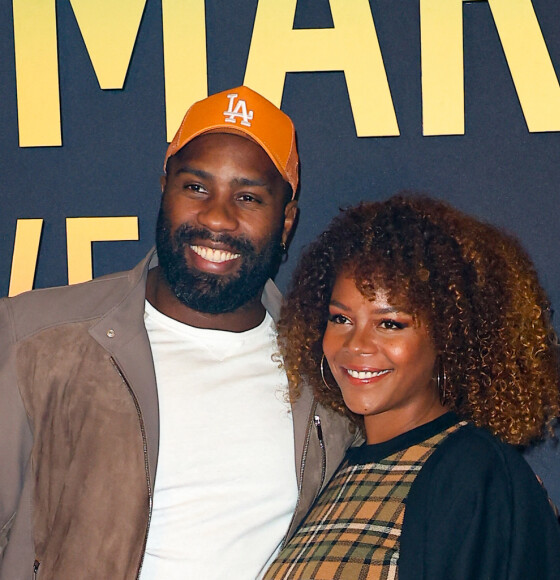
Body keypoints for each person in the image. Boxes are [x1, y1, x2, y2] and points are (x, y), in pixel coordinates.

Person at [0, 86, 357, 579]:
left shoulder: (327, 368)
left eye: (248, 197)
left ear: (286, 223)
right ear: (164, 189)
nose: (216, 216)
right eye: (196, 187)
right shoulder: (34, 337)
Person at [265, 194, 560, 579]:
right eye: (341, 319)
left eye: (390, 323)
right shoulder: (334, 474)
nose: (356, 345)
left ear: (449, 335)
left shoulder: (474, 476)